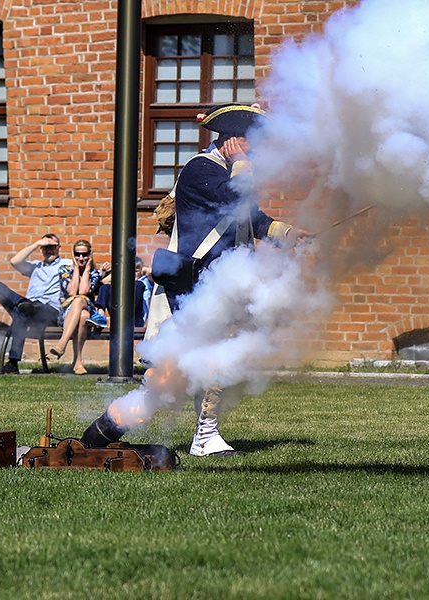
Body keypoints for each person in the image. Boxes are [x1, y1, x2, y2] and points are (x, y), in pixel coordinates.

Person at [81, 102, 310, 457]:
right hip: (193, 286)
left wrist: (286, 231)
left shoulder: (231, 170)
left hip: (221, 286)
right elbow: (232, 200)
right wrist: (242, 165)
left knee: (213, 360)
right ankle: (112, 430)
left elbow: (252, 217)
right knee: (180, 369)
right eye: (253, 143)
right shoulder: (201, 169)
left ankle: (203, 434)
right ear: (234, 141)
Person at [0, 234, 72, 374]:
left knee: (21, 313)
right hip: (29, 308)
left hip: (49, 310)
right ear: (41, 249)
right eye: (45, 248)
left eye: (52, 247)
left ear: (59, 248)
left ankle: (12, 363)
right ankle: (21, 303)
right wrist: (36, 244)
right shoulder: (35, 266)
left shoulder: (67, 264)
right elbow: (14, 261)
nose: (49, 251)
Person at [46, 239, 110, 374]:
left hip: (88, 309)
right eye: (77, 254)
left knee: (81, 301)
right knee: (82, 315)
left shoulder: (95, 273)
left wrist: (87, 269)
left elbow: (83, 291)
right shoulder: (65, 269)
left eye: (85, 255)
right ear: (73, 254)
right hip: (67, 314)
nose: (81, 258)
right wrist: (76, 269)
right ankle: (78, 361)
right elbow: (71, 291)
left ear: (90, 255)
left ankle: (61, 344)